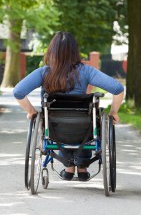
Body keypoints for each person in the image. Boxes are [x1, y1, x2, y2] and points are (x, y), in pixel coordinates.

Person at [13, 31, 124, 181]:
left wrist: (32, 112)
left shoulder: (44, 72)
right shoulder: (86, 71)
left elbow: (18, 91)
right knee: (87, 123)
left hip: (54, 127)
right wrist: (113, 112)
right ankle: (82, 167)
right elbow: (118, 89)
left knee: (56, 123)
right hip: (84, 127)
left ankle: (69, 168)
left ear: (51, 51)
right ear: (75, 51)